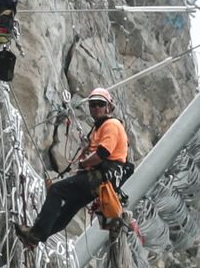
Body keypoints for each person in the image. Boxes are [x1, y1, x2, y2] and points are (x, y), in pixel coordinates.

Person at [17, 89, 132, 246]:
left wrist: (84, 163)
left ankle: (36, 234)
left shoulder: (111, 124)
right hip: (102, 179)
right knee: (69, 207)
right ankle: (37, 236)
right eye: (93, 105)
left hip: (102, 176)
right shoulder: (99, 128)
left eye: (100, 104)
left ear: (108, 108)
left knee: (57, 190)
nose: (96, 108)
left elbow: (102, 153)